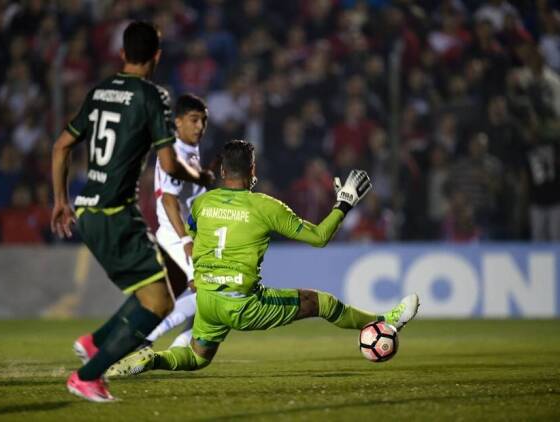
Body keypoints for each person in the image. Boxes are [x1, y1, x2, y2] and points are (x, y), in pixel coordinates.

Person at [107, 140, 419, 377]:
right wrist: (344, 204)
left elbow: (192, 232)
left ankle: (153, 358)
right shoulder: (266, 207)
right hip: (240, 303)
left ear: (223, 172)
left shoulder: (203, 203)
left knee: (198, 357)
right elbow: (319, 237)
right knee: (320, 303)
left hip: (207, 299)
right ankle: (385, 322)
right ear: (252, 171)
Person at [50, 21, 213, 402]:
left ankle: (96, 342)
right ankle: (87, 376)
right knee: (159, 302)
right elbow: (170, 165)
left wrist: (60, 201)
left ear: (122, 54)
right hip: (114, 214)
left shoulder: (99, 90)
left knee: (166, 279)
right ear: (157, 56)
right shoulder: (152, 96)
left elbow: (61, 147)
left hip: (87, 209)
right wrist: (202, 176)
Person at [143, 93, 209, 349]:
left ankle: (176, 351)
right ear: (178, 122)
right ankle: (143, 340)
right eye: (194, 120)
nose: (200, 126)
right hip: (177, 235)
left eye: (203, 120)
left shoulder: (190, 148)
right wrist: (185, 239)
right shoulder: (174, 152)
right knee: (207, 293)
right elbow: (169, 200)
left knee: (209, 300)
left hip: (190, 234)